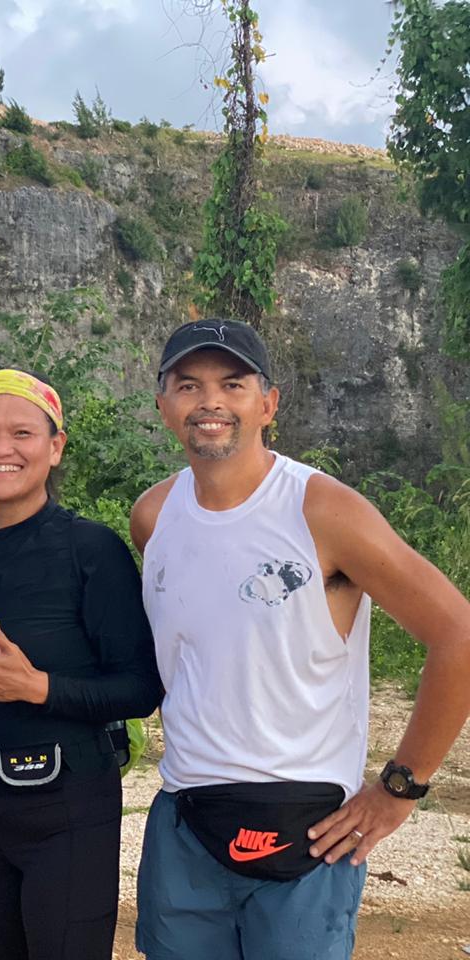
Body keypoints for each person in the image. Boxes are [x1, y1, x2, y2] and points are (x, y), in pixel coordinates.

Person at [132, 319, 470, 960]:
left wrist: (401, 788)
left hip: (309, 826)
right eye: (188, 385)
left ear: (268, 403)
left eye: (232, 384)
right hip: (185, 820)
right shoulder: (154, 517)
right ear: (163, 404)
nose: (210, 402)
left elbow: (458, 634)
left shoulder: (322, 510)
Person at [0, 368, 162, 960]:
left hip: (66, 807)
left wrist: (39, 688)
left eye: (21, 432)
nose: (0, 449)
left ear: (56, 444)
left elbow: (141, 688)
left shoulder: (90, 549)